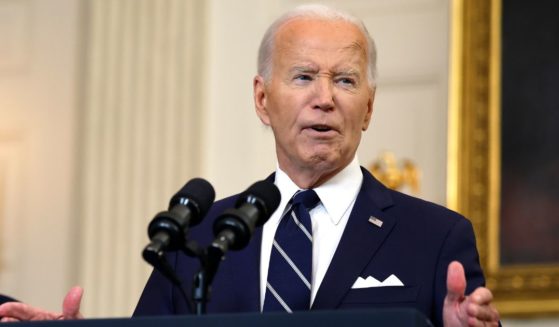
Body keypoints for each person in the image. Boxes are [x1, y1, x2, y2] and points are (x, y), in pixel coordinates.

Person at [0, 4, 500, 326]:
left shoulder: (436, 237)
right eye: (303, 76)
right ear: (263, 99)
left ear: (369, 107)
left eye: (345, 81)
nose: (324, 99)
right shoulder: (200, 237)